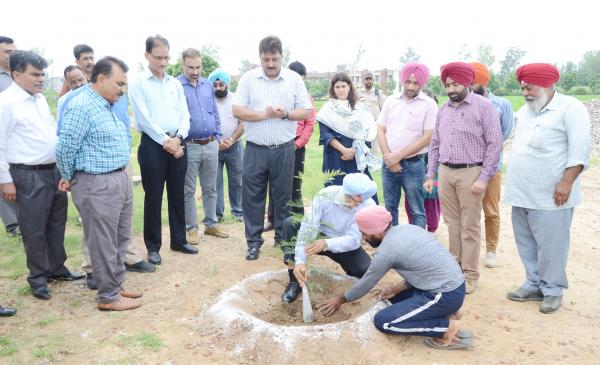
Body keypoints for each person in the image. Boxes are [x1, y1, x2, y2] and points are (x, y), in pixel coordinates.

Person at [56, 47, 155, 291]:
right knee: (102, 243)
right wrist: (68, 177)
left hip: (119, 178)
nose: (123, 89)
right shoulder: (82, 106)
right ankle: (108, 295)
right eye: (119, 83)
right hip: (96, 184)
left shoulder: (107, 104)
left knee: (121, 238)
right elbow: (65, 148)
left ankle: (117, 285)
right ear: (101, 79)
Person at [317, 205, 470, 350]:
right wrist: (395, 289)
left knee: (384, 322)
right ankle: (449, 312)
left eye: (364, 233)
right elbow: (423, 268)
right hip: (452, 285)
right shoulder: (406, 228)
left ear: (376, 230)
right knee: (391, 299)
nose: (364, 238)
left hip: (445, 294)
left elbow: (366, 283)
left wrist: (340, 300)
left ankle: (446, 329)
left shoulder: (386, 251)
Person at [505, 63, 591, 314]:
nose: (525, 92)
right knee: (526, 242)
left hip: (552, 195)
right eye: (522, 88)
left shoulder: (571, 108)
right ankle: (534, 283)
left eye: (529, 87)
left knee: (552, 246)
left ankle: (552, 290)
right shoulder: (526, 111)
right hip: (522, 192)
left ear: (547, 84)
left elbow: (580, 150)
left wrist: (566, 183)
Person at [0, 50, 84, 300]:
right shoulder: (5, 103)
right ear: (16, 74)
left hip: (52, 171)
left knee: (56, 223)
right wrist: (5, 180)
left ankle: (56, 267)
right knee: (34, 228)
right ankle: (37, 277)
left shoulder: (39, 99)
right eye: (35, 74)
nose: (40, 79)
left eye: (43, 74)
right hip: (27, 175)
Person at [424, 62, 502, 294]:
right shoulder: (444, 110)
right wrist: (431, 174)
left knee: (470, 226)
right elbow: (435, 144)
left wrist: (484, 178)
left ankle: (470, 275)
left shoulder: (484, 107)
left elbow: (495, 144)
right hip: (446, 173)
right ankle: (453, 270)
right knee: (452, 224)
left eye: (455, 84)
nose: (451, 89)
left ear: (467, 82)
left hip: (472, 172)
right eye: (447, 85)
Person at [232, 35, 312, 260]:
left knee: (284, 197)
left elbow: (305, 111)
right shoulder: (248, 79)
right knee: (252, 197)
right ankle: (254, 243)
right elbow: (237, 110)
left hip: (284, 149)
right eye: (266, 59)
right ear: (260, 58)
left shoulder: (294, 79)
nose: (270, 64)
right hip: (255, 149)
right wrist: (260, 115)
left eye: (274, 59)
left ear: (281, 57)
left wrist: (285, 114)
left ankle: (284, 241)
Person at [129, 35, 198, 265]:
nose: (163, 62)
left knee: (178, 193)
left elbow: (184, 115)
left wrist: (178, 138)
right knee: (154, 197)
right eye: (158, 57)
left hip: (178, 143)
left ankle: (179, 240)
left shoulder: (175, 83)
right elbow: (144, 119)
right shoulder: (138, 82)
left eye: (166, 57)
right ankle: (153, 246)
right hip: (153, 145)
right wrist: (166, 141)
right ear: (147, 56)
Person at [284, 173, 377, 303]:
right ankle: (295, 282)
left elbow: (354, 239)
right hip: (318, 236)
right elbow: (308, 226)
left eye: (359, 202)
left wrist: (326, 243)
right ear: (344, 191)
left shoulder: (369, 206)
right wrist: (300, 261)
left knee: (364, 269)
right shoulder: (326, 195)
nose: (355, 205)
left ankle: (348, 289)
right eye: (351, 200)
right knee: (290, 223)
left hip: (343, 242)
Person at [177, 48, 229, 244]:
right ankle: (191, 228)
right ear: (183, 65)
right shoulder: (176, 85)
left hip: (210, 144)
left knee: (211, 187)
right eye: (191, 67)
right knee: (188, 189)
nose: (195, 71)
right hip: (189, 145)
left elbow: (214, 111)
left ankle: (211, 224)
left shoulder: (208, 84)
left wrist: (217, 135)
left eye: (198, 67)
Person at [377, 62, 437, 228]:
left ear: (422, 83)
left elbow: (427, 137)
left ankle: (416, 249)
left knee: (417, 209)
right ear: (403, 80)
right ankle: (393, 246)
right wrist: (389, 158)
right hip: (388, 165)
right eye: (408, 82)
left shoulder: (429, 104)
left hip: (413, 166)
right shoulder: (390, 101)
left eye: (415, 83)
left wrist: (398, 156)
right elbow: (380, 129)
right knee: (389, 208)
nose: (410, 86)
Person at [469, 62, 514, 268]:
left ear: (483, 81)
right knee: (469, 211)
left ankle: (491, 250)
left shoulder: (502, 105)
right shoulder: (464, 103)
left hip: (492, 167)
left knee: (491, 210)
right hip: (468, 167)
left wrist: (485, 151)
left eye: (473, 81)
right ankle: (470, 250)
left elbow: (504, 134)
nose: (469, 86)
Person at [265, 60, 315, 232]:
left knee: (294, 186)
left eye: (301, 79)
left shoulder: (306, 99)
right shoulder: (280, 96)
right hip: (278, 146)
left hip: (296, 148)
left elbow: (309, 125)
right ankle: (273, 220)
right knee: (274, 183)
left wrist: (297, 144)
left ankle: (299, 223)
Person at [316, 72, 380, 202]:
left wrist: (353, 150)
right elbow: (325, 134)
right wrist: (344, 150)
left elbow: (367, 132)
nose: (340, 90)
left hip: (356, 156)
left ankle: (366, 221)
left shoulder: (360, 108)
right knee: (337, 194)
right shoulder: (328, 109)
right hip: (335, 157)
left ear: (349, 87)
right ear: (333, 89)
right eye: (337, 87)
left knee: (362, 192)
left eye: (343, 86)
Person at [210, 68, 244, 223]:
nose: (218, 88)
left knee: (237, 180)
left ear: (227, 84)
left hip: (234, 146)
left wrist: (230, 140)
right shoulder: (208, 100)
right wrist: (217, 142)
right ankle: (217, 214)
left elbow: (243, 123)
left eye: (221, 84)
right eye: (215, 85)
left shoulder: (237, 99)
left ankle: (238, 211)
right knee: (214, 181)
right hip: (213, 146)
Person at [404, 89, 442, 232]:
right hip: (413, 158)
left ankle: (432, 225)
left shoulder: (440, 117)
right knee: (412, 191)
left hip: (432, 160)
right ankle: (415, 226)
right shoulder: (409, 116)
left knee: (430, 192)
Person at [0, 36, 19, 238]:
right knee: (3, 181)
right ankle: (13, 225)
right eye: (7, 52)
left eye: (14, 51)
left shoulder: (17, 75)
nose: (12, 55)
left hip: (19, 140)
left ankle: (22, 220)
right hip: (2, 136)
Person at [358, 70, 386, 155]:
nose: (368, 81)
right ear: (363, 81)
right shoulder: (358, 92)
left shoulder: (378, 93)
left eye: (370, 79)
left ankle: (373, 166)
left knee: (374, 146)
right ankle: (363, 166)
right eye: (367, 79)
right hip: (362, 124)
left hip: (374, 124)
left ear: (373, 81)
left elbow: (383, 109)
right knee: (362, 145)